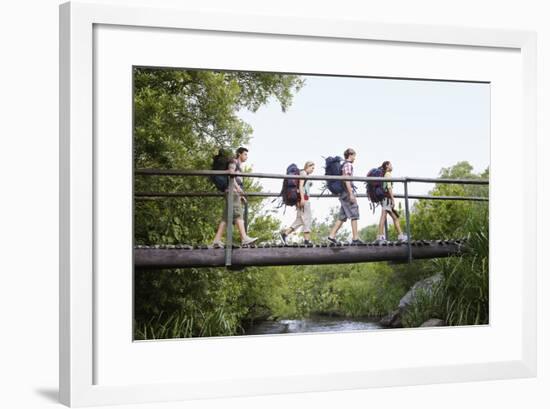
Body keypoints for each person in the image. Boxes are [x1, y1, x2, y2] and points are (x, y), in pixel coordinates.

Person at [212, 148, 257, 248]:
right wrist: (238, 190)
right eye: (245, 154)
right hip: (232, 191)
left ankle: (216, 240)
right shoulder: (234, 161)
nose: (246, 156)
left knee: (226, 218)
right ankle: (244, 238)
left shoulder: (239, 165)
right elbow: (230, 174)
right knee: (238, 214)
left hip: (233, 192)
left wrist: (240, 194)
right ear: (239, 154)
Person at [327, 148, 364, 245]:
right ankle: (355, 238)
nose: (355, 158)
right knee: (354, 213)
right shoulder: (348, 164)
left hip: (343, 193)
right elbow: (346, 179)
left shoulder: (343, 165)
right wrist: (351, 194)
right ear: (350, 155)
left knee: (342, 216)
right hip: (347, 193)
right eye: (354, 155)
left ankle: (331, 236)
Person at [280, 161, 315, 245]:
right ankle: (306, 240)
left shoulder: (303, 173)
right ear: (308, 166)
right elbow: (300, 186)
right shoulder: (303, 173)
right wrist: (302, 199)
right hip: (304, 199)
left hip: (300, 199)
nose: (313, 170)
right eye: (312, 168)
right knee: (307, 218)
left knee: (299, 220)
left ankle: (285, 234)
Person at [376, 161, 408, 244]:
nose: (392, 166)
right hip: (387, 198)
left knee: (394, 217)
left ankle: (400, 236)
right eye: (390, 165)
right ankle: (381, 236)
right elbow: (389, 187)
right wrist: (393, 199)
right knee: (384, 217)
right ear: (387, 166)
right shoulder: (388, 174)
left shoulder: (385, 174)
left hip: (385, 199)